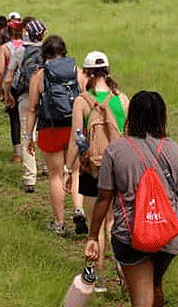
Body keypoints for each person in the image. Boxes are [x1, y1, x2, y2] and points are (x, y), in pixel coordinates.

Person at [84, 91, 178, 307]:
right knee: (155, 285)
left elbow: (103, 198)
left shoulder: (115, 151)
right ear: (161, 118)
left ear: (131, 117)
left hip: (129, 237)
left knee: (141, 296)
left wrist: (93, 236)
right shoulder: (175, 151)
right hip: (168, 235)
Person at [66, 51, 129, 281]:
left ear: (88, 73)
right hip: (119, 169)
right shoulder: (122, 99)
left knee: (97, 224)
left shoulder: (82, 102)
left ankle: (99, 277)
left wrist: (67, 169)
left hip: (92, 170)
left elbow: (77, 139)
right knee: (114, 223)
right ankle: (123, 273)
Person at [25, 35, 84, 235]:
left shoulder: (39, 76)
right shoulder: (78, 73)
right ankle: (79, 209)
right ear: (64, 52)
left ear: (44, 53)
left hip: (50, 130)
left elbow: (32, 109)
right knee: (76, 173)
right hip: (74, 130)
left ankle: (59, 223)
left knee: (55, 177)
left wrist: (28, 136)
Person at [3, 18, 47, 192]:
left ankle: (30, 178)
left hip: (25, 96)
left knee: (27, 134)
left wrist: (7, 95)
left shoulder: (20, 51)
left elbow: (8, 78)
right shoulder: (48, 51)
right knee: (44, 130)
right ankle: (46, 166)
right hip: (45, 97)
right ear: (43, 34)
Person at [0, 18, 23, 162]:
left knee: (14, 119)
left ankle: (17, 153)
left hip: (12, 86)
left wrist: (1, 89)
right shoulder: (28, 46)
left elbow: (1, 71)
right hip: (28, 86)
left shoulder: (5, 48)